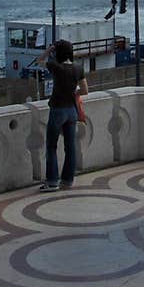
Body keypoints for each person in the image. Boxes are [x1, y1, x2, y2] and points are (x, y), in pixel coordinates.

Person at [35, 39, 89, 191]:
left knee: (51, 146)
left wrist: (49, 50)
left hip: (57, 109)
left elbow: (39, 61)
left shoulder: (55, 66)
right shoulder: (78, 68)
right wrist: (74, 92)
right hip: (72, 111)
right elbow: (85, 90)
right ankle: (68, 180)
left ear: (57, 52)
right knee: (70, 146)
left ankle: (52, 181)